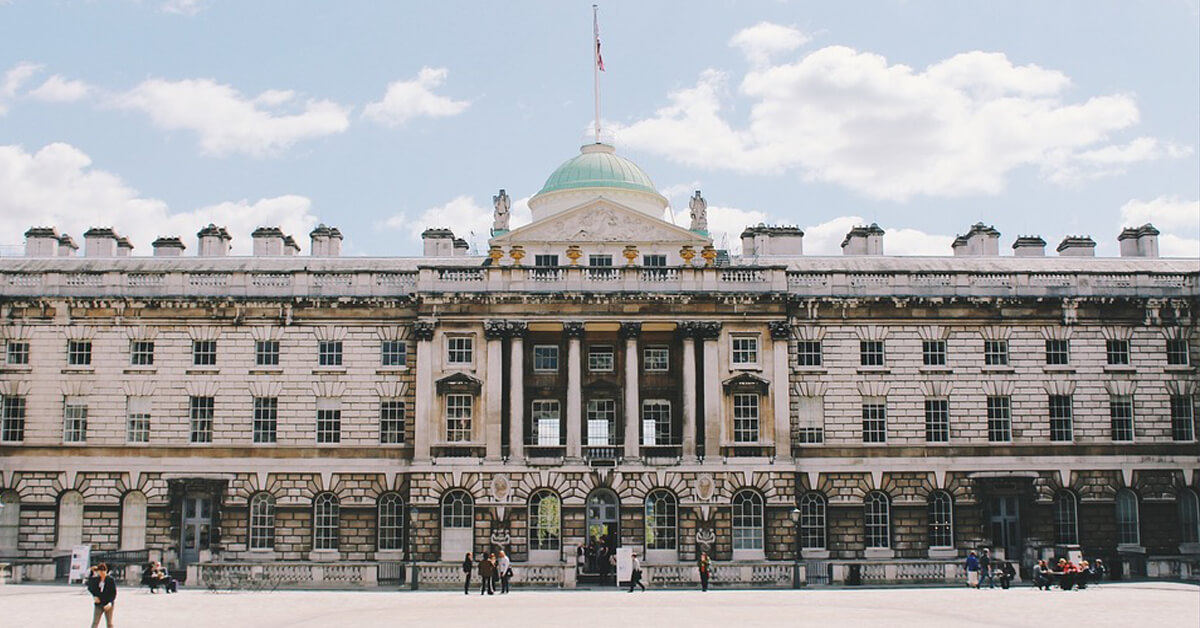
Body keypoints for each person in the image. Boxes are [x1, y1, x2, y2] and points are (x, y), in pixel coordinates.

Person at [87, 562, 117, 628]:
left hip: (108, 604)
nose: (102, 573)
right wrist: (94, 596)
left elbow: (113, 593)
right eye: (100, 572)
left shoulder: (110, 580)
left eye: (103, 571)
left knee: (109, 623)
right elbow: (90, 587)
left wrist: (110, 603)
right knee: (95, 622)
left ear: (106, 571)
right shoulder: (96, 579)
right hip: (99, 603)